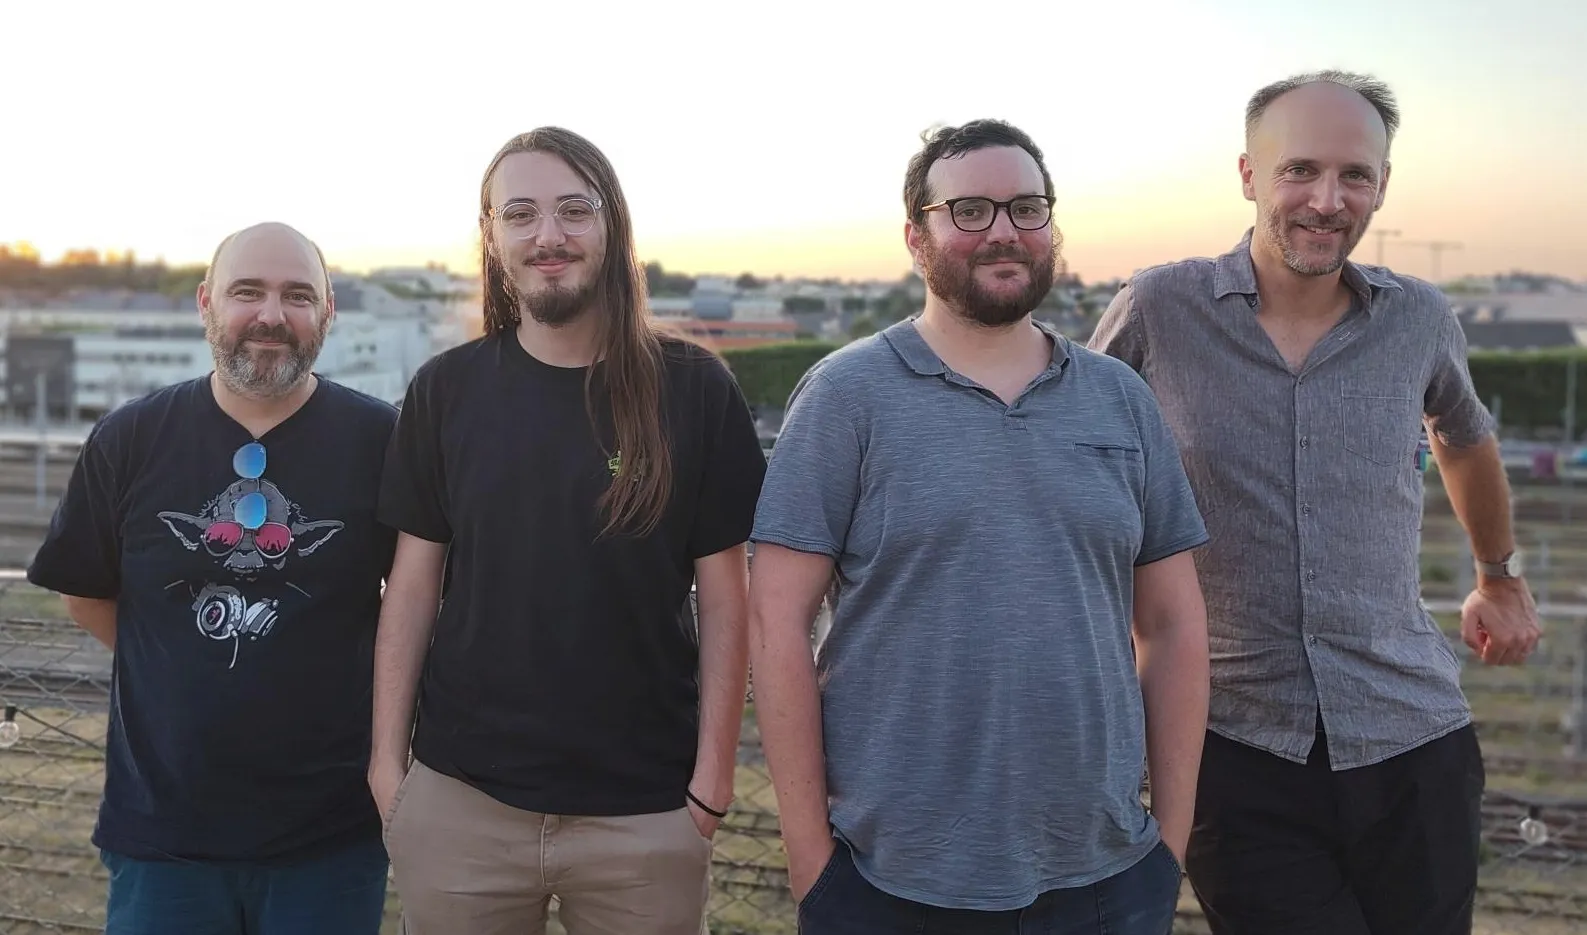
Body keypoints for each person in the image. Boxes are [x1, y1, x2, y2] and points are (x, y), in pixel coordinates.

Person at [1089, 70, 1542, 935]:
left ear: (1380, 185)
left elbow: (1462, 433)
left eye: (1354, 175)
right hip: (1232, 740)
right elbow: (1071, 451)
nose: (1326, 200)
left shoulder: (1418, 317)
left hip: (1412, 735)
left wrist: (1499, 575)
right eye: (1299, 169)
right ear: (1248, 175)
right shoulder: (1158, 307)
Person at [747, 119, 1211, 935]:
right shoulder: (847, 396)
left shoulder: (1118, 399)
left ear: (1051, 227)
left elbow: (1172, 625)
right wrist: (809, 859)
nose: (1002, 229)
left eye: (1025, 207)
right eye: (967, 209)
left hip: (1104, 880)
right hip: (889, 881)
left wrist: (1166, 847)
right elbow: (774, 621)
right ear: (915, 235)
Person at [370, 126, 767, 935]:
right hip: (460, 805)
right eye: (519, 214)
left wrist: (709, 783)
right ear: (491, 236)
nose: (546, 236)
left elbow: (729, 598)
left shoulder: (693, 390)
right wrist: (388, 771)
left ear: (610, 225)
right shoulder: (446, 391)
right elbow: (410, 586)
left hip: (647, 815)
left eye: (571, 211)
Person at [25, 222, 398, 935]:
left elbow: (412, 604)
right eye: (246, 292)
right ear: (205, 303)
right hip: (163, 835)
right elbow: (83, 592)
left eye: (297, 296)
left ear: (327, 313)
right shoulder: (129, 438)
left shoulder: (384, 441)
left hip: (331, 836)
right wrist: (178, 668)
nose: (270, 315)